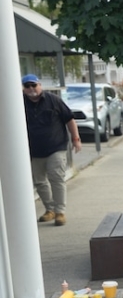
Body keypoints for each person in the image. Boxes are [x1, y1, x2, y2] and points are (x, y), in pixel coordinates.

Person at [22, 74, 81, 226]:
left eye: (33, 85)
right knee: (39, 181)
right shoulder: (20, 103)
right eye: (27, 86)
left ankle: (60, 212)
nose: (31, 89)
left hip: (56, 147)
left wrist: (76, 139)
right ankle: (50, 209)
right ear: (23, 88)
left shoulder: (53, 100)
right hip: (34, 150)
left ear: (39, 85)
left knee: (56, 178)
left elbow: (69, 119)